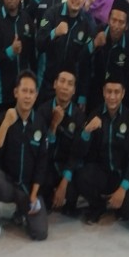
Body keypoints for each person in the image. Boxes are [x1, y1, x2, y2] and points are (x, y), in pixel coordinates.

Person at [0, 70, 48, 249]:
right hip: (8, 183)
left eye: (31, 92)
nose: (27, 96)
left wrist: (33, 195)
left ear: (36, 95)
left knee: (40, 233)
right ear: (15, 92)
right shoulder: (3, 118)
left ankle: (21, 212)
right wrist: (6, 123)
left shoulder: (40, 123)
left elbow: (42, 162)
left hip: (27, 188)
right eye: (24, 91)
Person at [71, 71, 129, 225]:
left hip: (122, 175)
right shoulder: (94, 114)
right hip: (102, 173)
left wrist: (123, 188)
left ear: (123, 93)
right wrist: (86, 131)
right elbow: (80, 152)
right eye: (109, 91)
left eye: (116, 92)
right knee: (81, 177)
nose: (112, 96)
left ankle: (117, 200)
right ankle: (98, 205)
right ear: (103, 92)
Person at [36, 0, 95, 103]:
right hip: (48, 85)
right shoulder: (51, 14)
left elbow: (86, 63)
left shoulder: (87, 23)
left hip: (71, 90)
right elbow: (39, 43)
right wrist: (54, 33)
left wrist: (82, 95)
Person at [36, 65, 85, 214]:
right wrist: (53, 125)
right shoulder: (42, 110)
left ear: (74, 90)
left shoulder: (78, 115)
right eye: (62, 81)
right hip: (47, 165)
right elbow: (41, 150)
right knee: (44, 200)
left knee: (73, 189)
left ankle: (64, 197)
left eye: (70, 84)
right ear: (55, 84)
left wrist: (64, 183)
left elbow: (77, 152)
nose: (65, 87)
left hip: (66, 167)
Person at [79, 0, 129, 111]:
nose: (116, 26)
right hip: (94, 94)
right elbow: (82, 60)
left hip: (117, 99)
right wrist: (94, 44)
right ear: (108, 19)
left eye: (121, 22)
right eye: (114, 20)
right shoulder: (97, 32)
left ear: (126, 26)